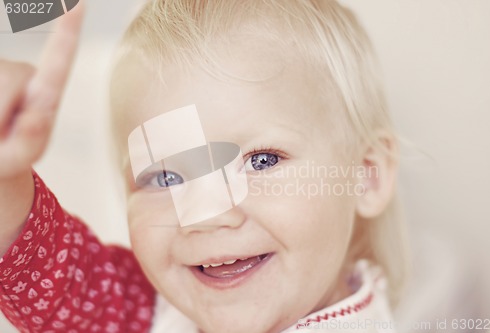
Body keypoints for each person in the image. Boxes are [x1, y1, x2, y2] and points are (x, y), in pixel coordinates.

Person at [0, 0, 409, 332]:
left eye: (261, 161)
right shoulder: (156, 312)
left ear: (365, 176)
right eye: (166, 177)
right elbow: (57, 279)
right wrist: (6, 177)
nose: (207, 216)